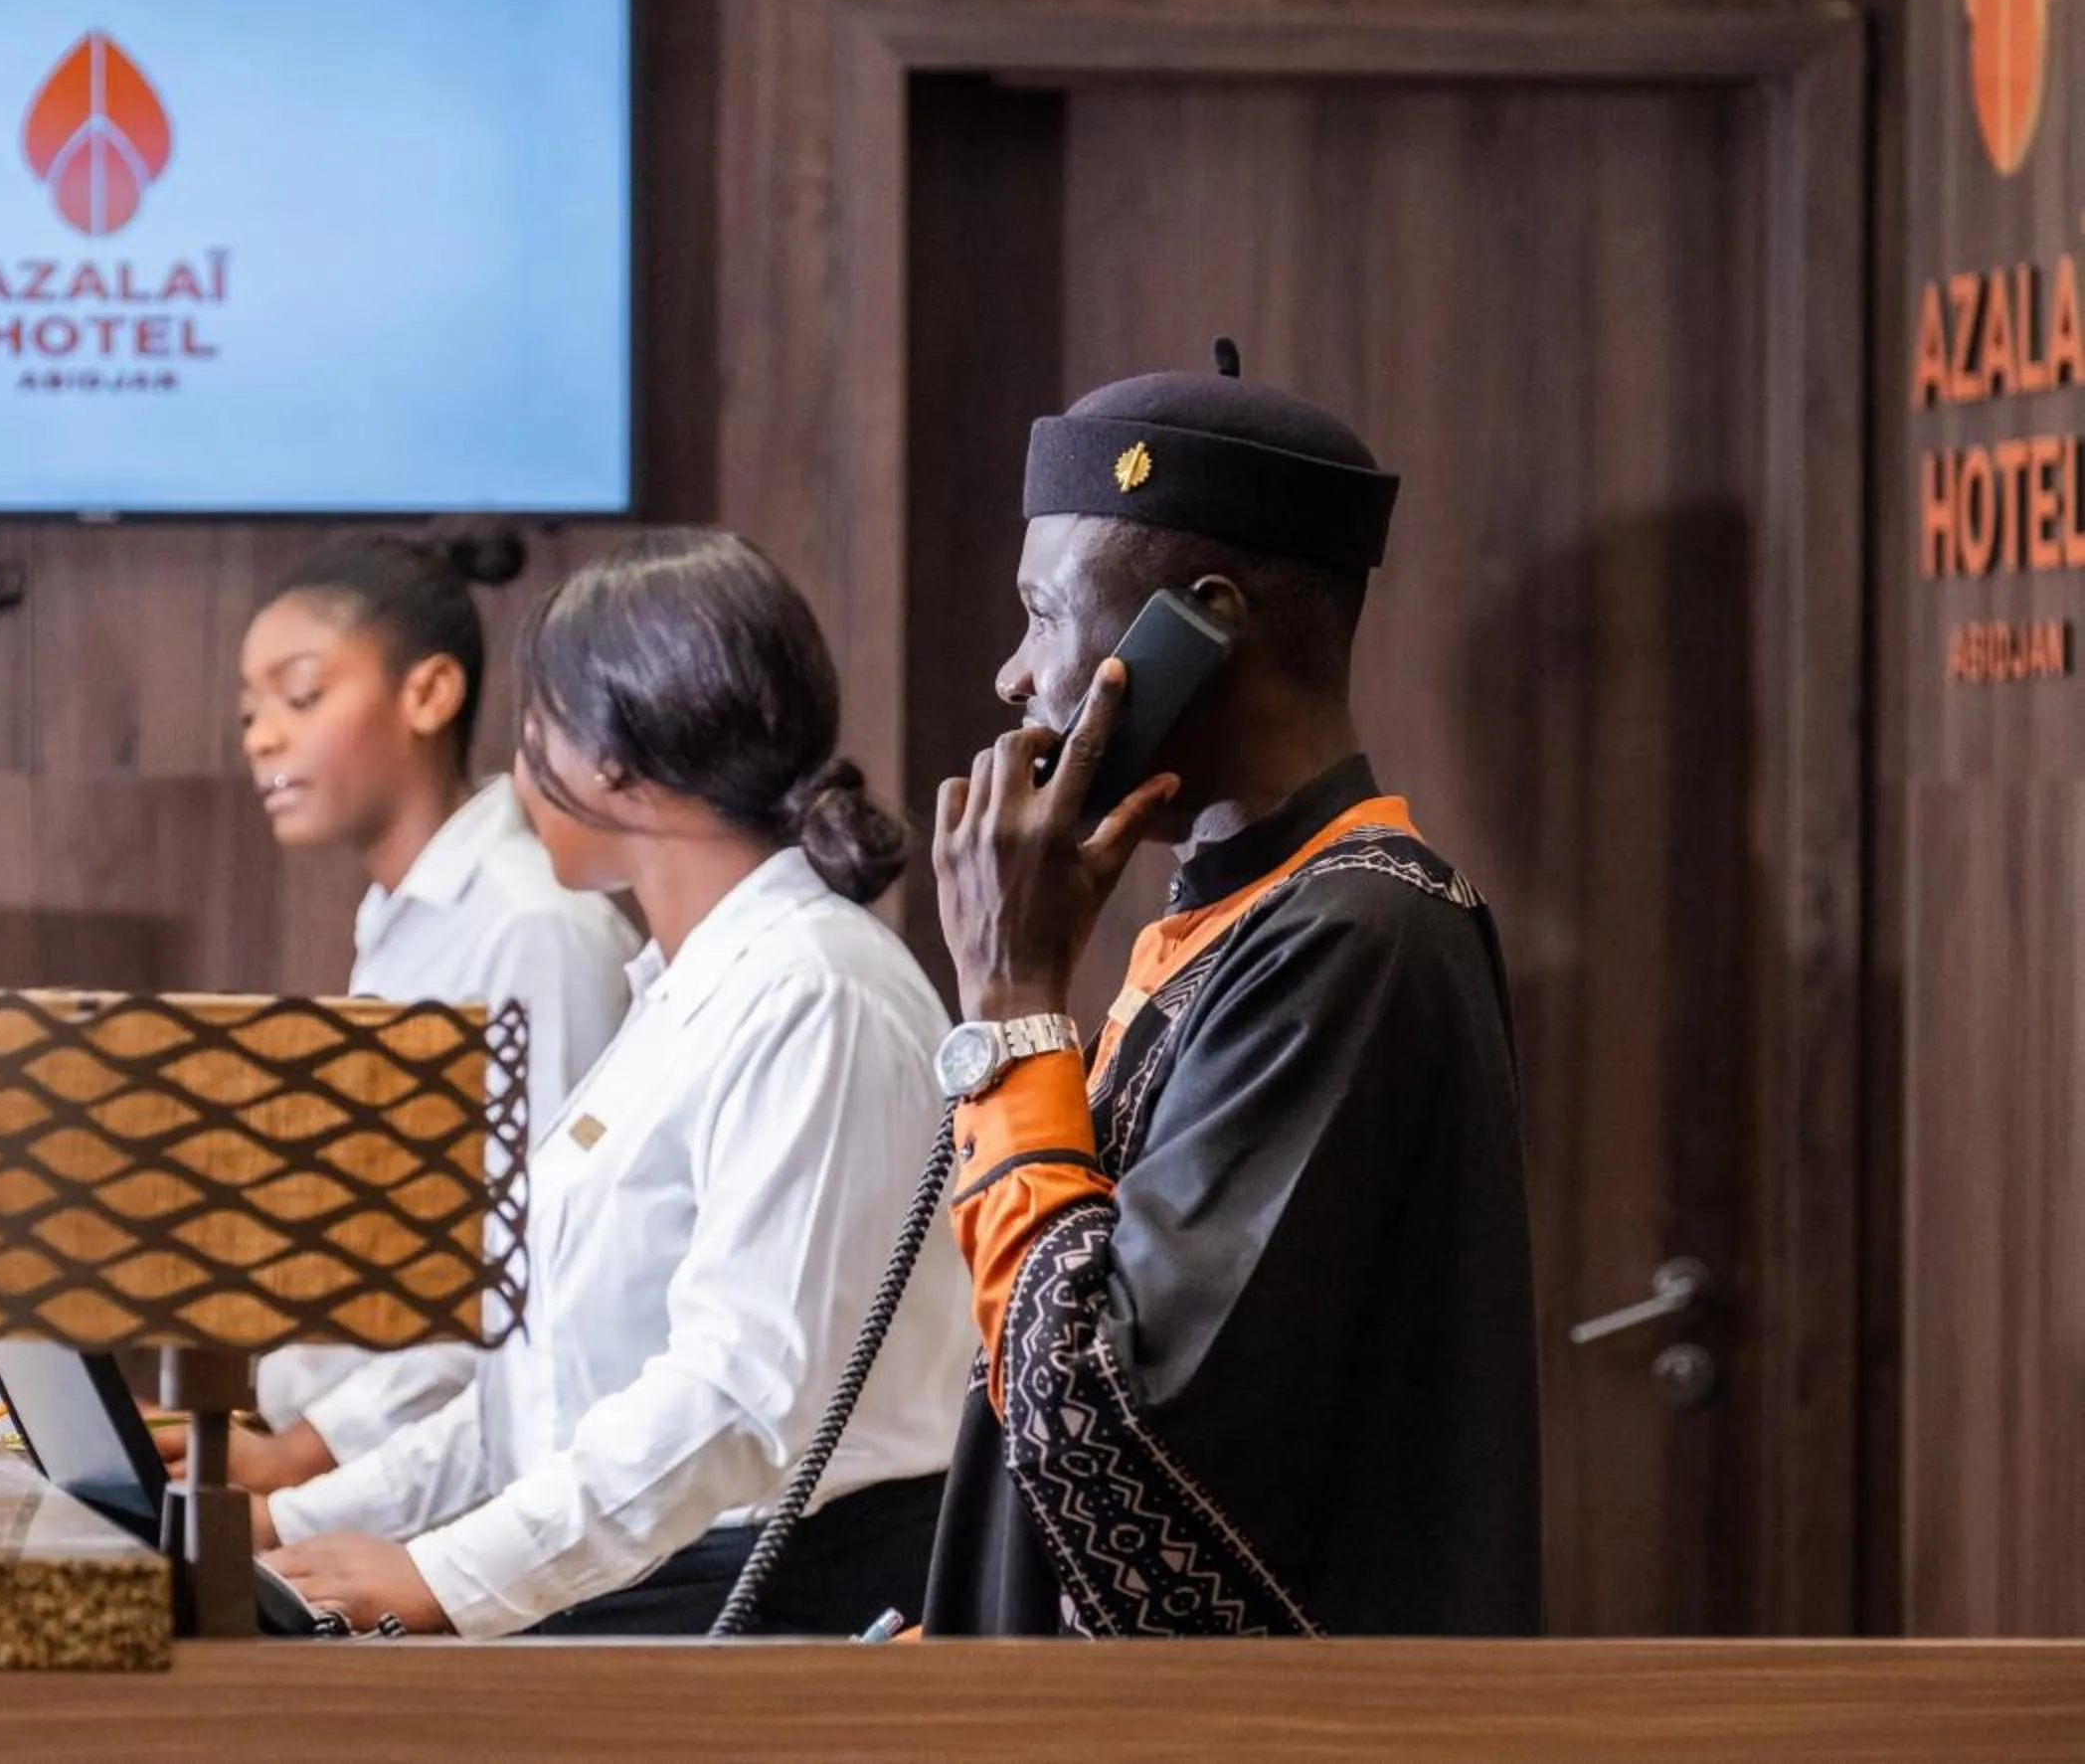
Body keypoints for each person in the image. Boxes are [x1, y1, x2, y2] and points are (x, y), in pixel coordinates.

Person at [921, 340, 1540, 1637]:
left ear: (1198, 624)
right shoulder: (1227, 919)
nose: (1013, 676)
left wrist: (1014, 1002)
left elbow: (1103, 1427)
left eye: (1044, 614)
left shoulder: (1361, 934)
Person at [258, 530, 975, 1637]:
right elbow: (538, 1400)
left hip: (770, 1597)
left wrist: (445, 1574)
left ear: (614, 757)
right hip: (648, 1567)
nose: (518, 777)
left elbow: (732, 1398)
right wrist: (297, 1519)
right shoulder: (687, 985)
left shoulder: (813, 989)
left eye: (534, 732)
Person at [223, 530, 640, 1492]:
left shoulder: (532, 925)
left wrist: (303, 1456)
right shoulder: (405, 920)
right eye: (250, 712)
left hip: (457, 1492)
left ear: (430, 692)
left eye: (300, 695)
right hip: (347, 1462)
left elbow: (530, 1278)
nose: (261, 737)